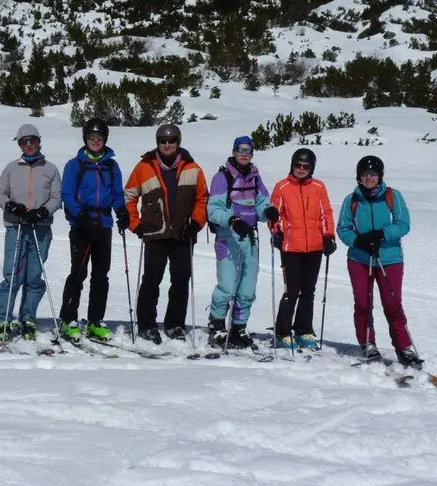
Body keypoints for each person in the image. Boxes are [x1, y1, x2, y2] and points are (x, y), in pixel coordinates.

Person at [125, 124, 207, 345]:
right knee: (152, 279)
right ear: (157, 143)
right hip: (155, 232)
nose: (167, 145)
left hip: (183, 232)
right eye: (163, 141)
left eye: (171, 141)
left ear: (178, 142)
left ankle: (174, 324)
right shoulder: (144, 166)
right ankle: (146, 325)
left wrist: (197, 223)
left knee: (181, 279)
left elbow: (202, 199)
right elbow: (129, 196)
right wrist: (135, 224)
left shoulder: (193, 168)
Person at [336, 155, 422, 368]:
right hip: (360, 259)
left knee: (392, 303)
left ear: (380, 176)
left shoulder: (392, 196)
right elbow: (342, 228)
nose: (368, 178)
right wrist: (358, 241)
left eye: (372, 174)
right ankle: (367, 343)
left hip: (390, 259)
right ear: (359, 177)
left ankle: (403, 347)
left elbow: (403, 224)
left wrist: (382, 234)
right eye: (365, 174)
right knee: (363, 303)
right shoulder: (352, 200)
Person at [58, 119, 129, 343]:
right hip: (82, 225)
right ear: (85, 139)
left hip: (104, 225)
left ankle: (95, 321)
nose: (95, 142)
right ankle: (68, 319)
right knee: (78, 273)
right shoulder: (74, 165)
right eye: (91, 138)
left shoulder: (111, 165)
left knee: (101, 276)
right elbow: (67, 194)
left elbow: (117, 193)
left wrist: (122, 212)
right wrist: (81, 217)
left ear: (105, 140)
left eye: (99, 138)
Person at [206, 136, 277, 350]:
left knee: (247, 289)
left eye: (248, 150)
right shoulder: (223, 177)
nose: (244, 153)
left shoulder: (254, 177)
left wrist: (267, 211)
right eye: (240, 149)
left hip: (250, 239)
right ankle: (217, 324)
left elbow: (262, 202)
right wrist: (232, 220)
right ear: (234, 151)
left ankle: (238, 327)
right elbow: (213, 209)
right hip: (229, 237)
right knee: (227, 287)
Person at [0, 124, 62, 340]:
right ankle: (2, 320)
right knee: (12, 275)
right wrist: (11, 206)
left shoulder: (50, 169)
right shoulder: (11, 168)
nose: (29, 144)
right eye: (24, 141)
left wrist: (43, 211)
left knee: (34, 276)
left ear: (39, 142)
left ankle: (28, 318)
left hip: (40, 228)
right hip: (16, 226)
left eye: (32, 140)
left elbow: (57, 197)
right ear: (20, 145)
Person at [269, 148, 336, 350]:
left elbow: (325, 213)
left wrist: (328, 236)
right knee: (292, 291)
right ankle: (282, 331)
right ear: (292, 165)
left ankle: (304, 329)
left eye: (306, 166)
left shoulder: (318, 186)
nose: (301, 169)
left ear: (311, 168)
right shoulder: (282, 187)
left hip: (314, 247)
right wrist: (276, 231)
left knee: (308, 291)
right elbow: (274, 214)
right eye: (298, 165)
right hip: (291, 247)